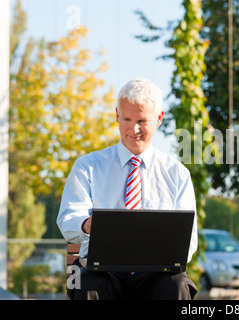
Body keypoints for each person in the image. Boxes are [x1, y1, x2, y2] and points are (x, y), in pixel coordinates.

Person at [57, 78, 198, 300]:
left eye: (142, 120)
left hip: (156, 275)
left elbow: (189, 241)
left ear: (159, 118)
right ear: (116, 116)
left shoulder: (177, 174)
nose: (134, 129)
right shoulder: (88, 167)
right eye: (126, 119)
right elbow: (68, 219)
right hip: (100, 272)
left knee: (177, 284)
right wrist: (86, 224)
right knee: (86, 284)